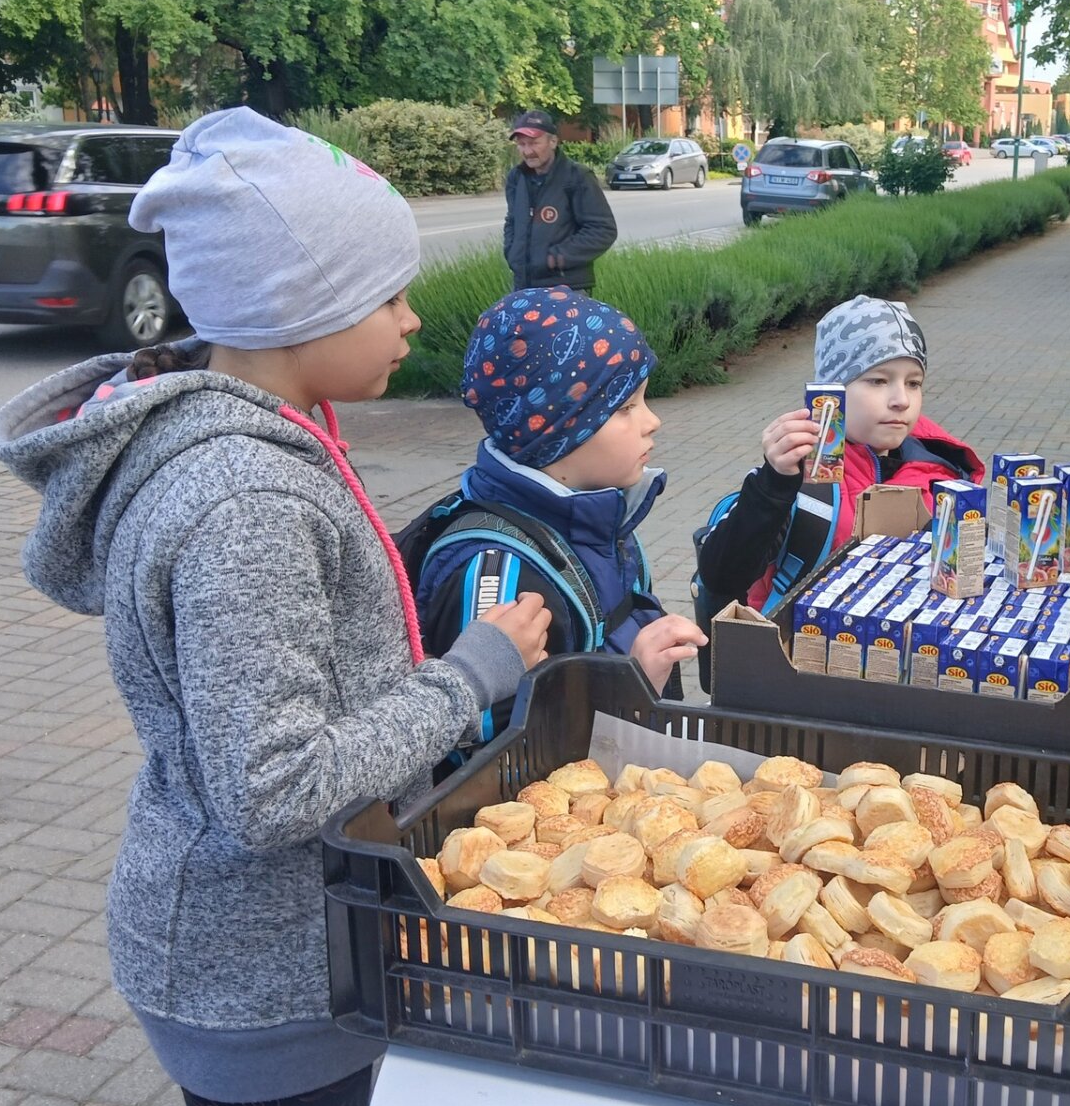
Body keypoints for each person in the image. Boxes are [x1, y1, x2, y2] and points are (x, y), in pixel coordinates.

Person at [0, 109, 551, 1106]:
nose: (412, 319)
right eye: (388, 297)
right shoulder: (247, 500)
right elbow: (272, 785)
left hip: (290, 944)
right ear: (301, 309)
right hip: (262, 976)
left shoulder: (267, 442)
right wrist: (469, 673)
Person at [409, 286, 706, 710]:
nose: (652, 421)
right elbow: (494, 737)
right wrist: (630, 688)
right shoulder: (500, 571)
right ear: (559, 431)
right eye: (625, 407)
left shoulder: (601, 515)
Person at [696, 294, 982, 629]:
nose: (901, 400)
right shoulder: (796, 474)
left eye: (913, 383)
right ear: (832, 391)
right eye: (878, 380)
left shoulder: (944, 473)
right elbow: (722, 577)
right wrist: (773, 484)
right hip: (797, 651)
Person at [503, 107, 618, 294]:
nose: (527, 151)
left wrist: (557, 257)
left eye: (534, 143)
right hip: (522, 285)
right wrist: (512, 253)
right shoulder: (516, 178)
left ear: (553, 141)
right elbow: (512, 221)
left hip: (567, 288)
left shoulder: (577, 177)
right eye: (521, 144)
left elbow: (603, 230)